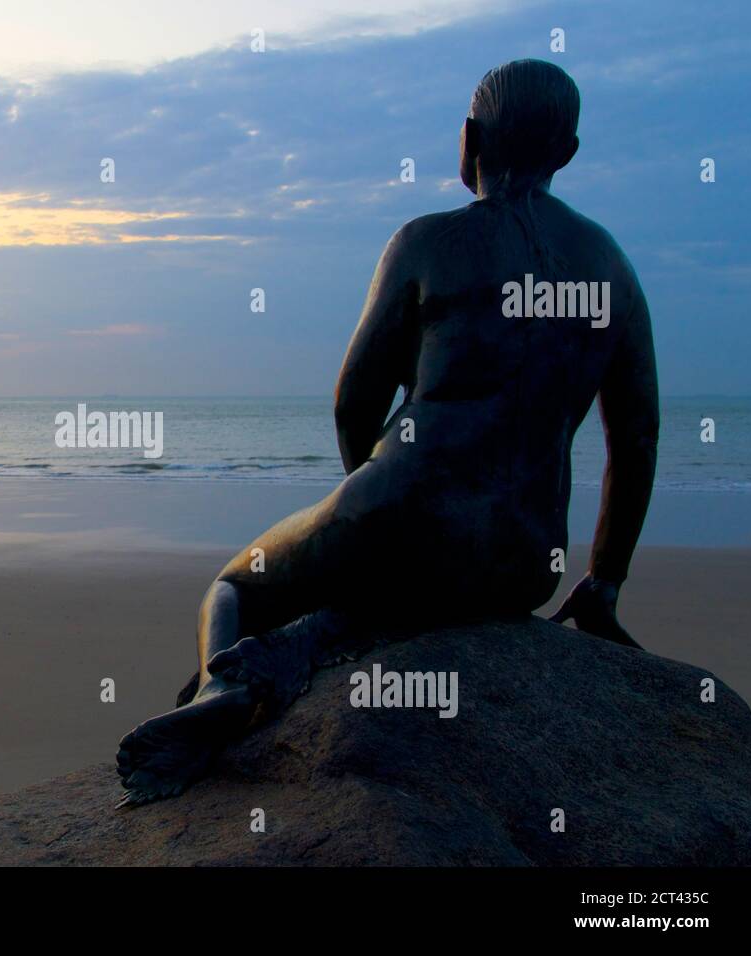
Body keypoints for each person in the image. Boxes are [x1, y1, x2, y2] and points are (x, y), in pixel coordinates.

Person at [116, 59, 659, 807]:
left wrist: (372, 510)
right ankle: (324, 631)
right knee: (406, 596)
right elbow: (637, 440)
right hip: (527, 560)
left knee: (235, 585)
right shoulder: (612, 269)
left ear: (469, 141)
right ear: (567, 152)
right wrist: (603, 582)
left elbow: (352, 402)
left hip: (399, 509)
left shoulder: (426, 243)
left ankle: (220, 687)